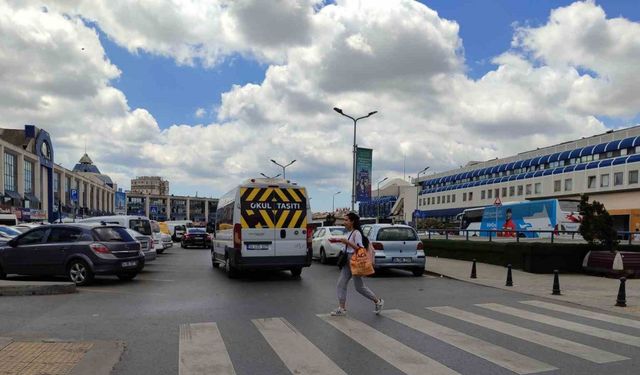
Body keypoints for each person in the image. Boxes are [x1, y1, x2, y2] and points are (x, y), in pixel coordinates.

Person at [330, 212, 384, 316]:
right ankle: (342, 308)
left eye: (346, 220)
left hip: (354, 261)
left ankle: (378, 301)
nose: (344, 222)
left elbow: (360, 248)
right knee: (341, 284)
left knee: (359, 287)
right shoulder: (349, 232)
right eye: (344, 220)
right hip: (347, 261)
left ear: (352, 222)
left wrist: (347, 242)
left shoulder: (356, 233)